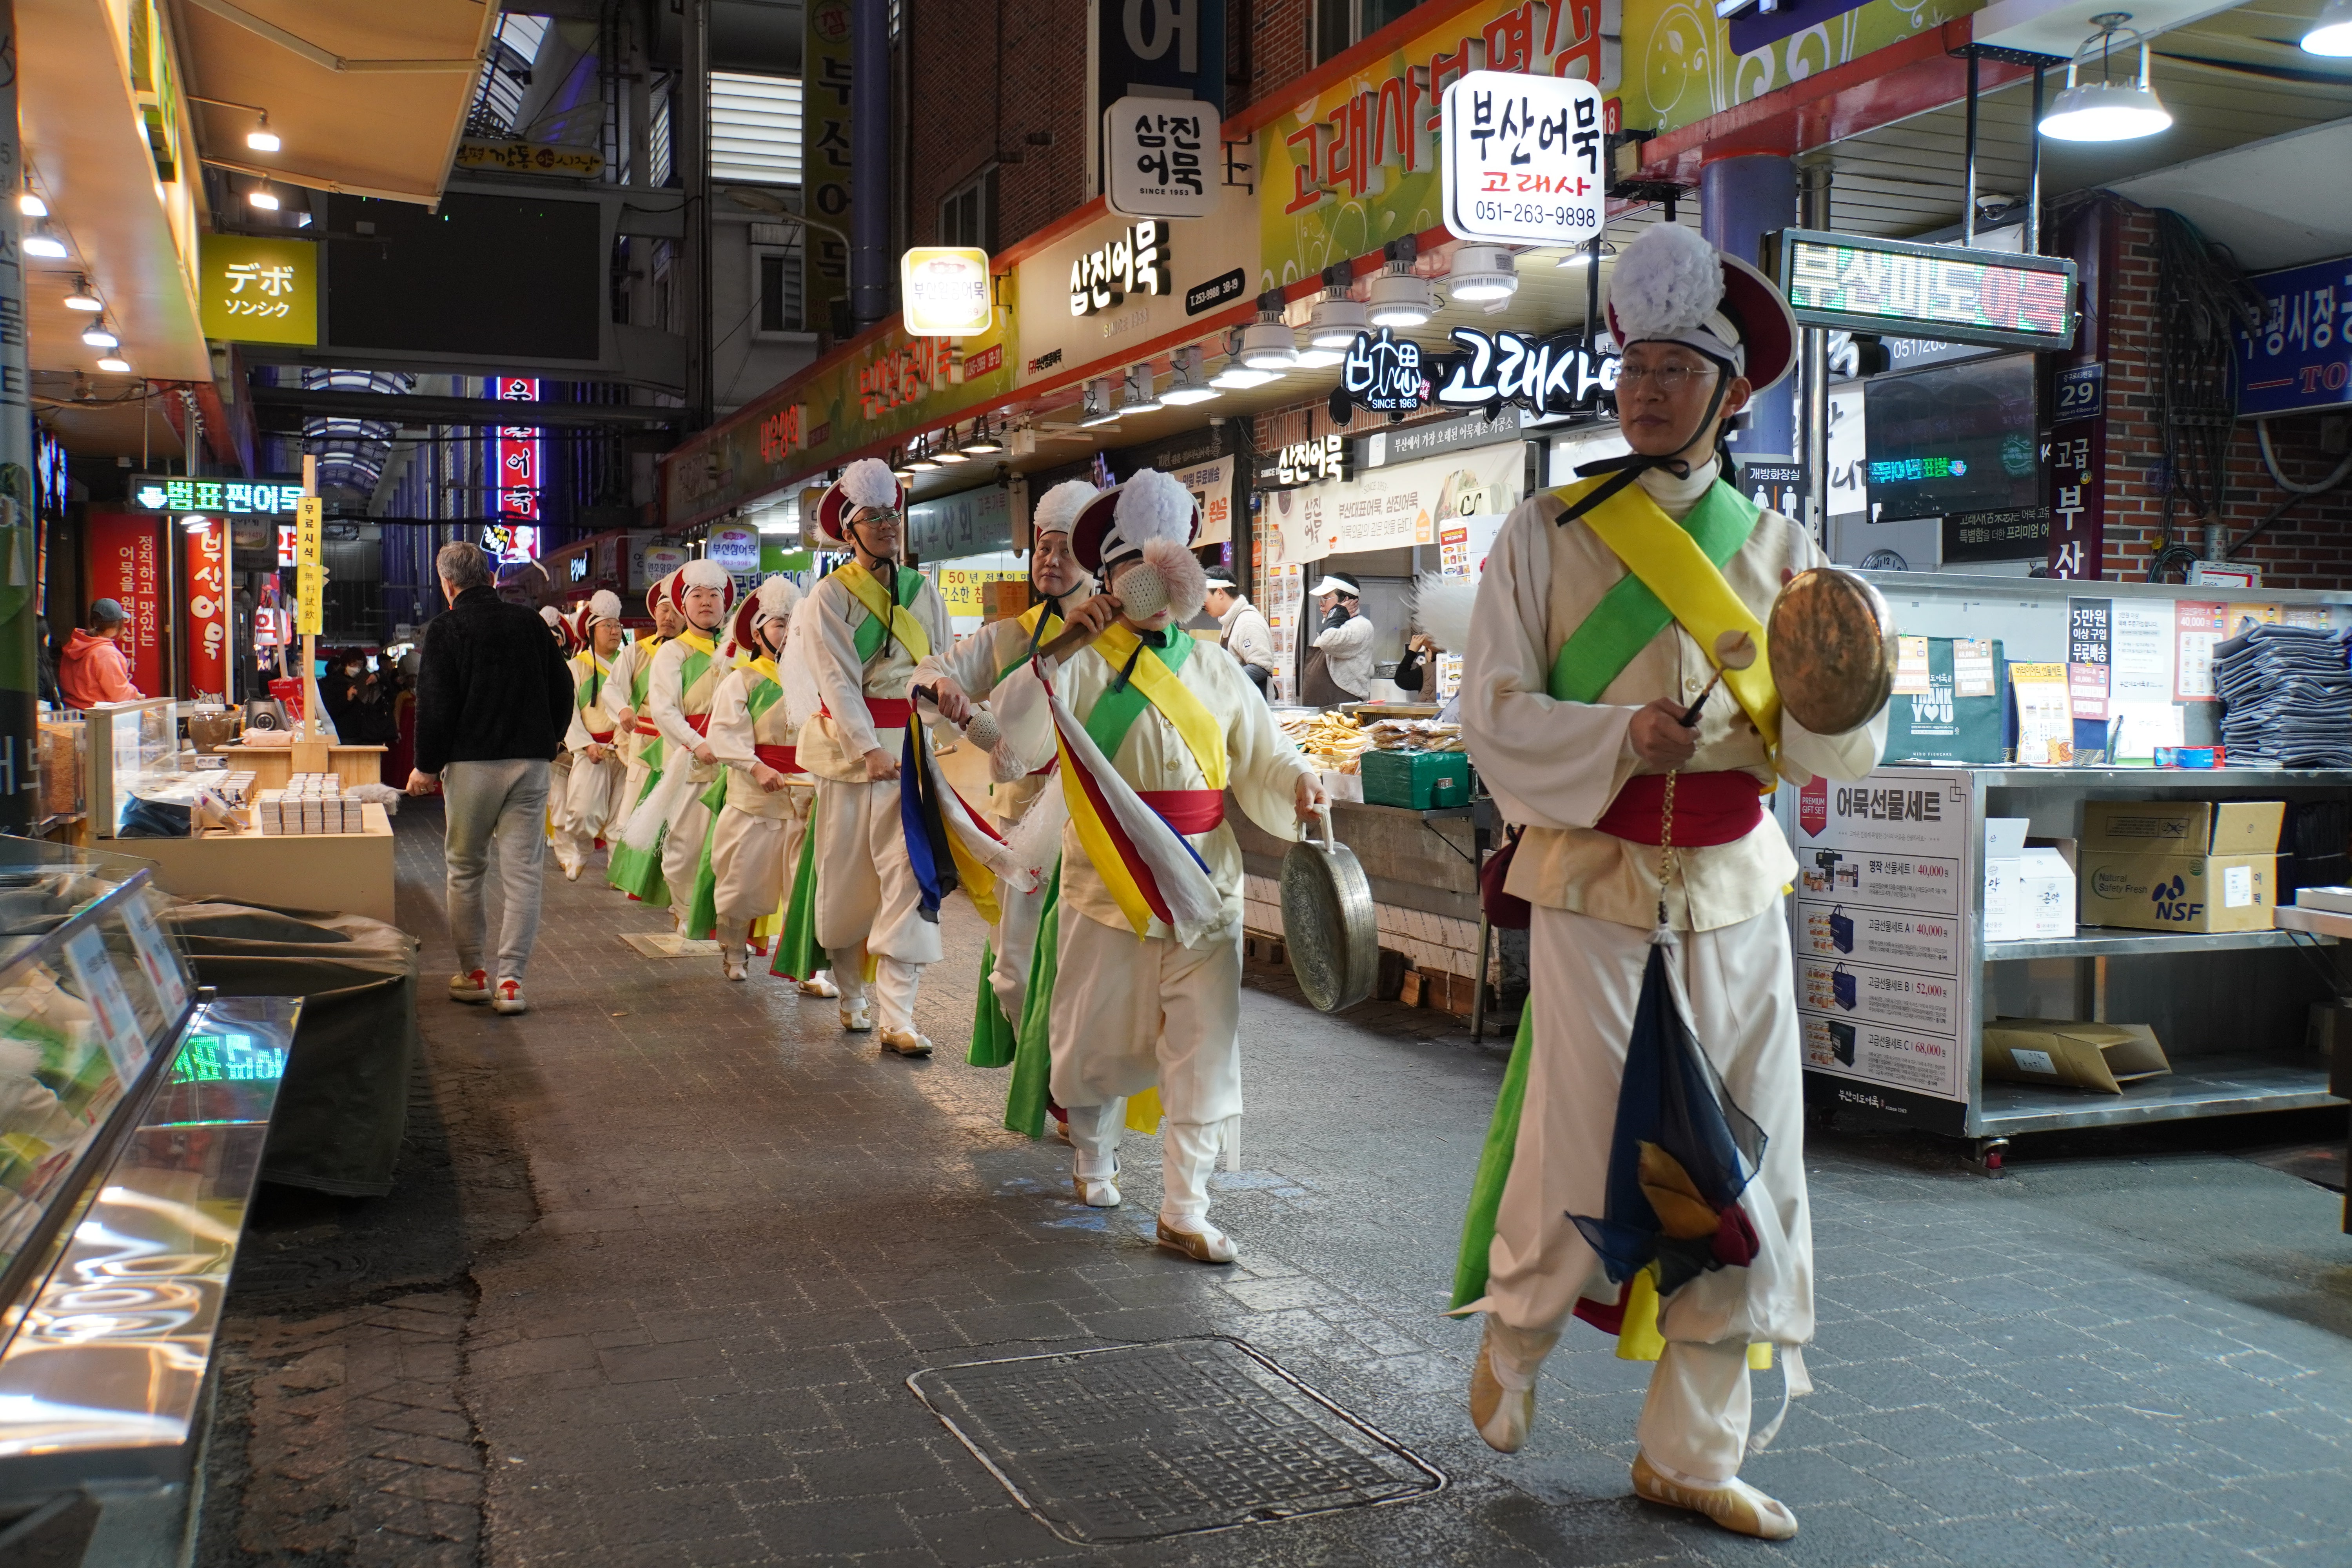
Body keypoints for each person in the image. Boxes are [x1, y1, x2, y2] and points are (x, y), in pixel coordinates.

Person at [1451, 221, 1887, 1539]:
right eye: (1633, 365)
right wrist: (1611, 740)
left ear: (1729, 392)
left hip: (1738, 891)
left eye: (1675, 370)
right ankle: (1517, 1338)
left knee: (1749, 1169)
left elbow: (1826, 746)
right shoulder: (1543, 532)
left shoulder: (1783, 549)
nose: (1645, 390)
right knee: (1580, 1143)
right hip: (1592, 877)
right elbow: (1491, 710)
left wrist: (1847, 684)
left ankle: (1691, 1451)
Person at [990, 470, 1325, 1264]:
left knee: (1206, 1046)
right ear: (1107, 578)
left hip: (1207, 884)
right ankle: (1093, 1157)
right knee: (1094, 1040)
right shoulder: (1071, 660)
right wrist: (1072, 635)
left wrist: (1299, 778)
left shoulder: (1216, 669)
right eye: (1133, 569)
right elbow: (1012, 733)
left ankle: (1186, 1205)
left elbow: (1264, 750)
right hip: (1107, 878)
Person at [913, 478, 1100, 1066]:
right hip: (1022, 827)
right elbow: (928, 673)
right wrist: (943, 684)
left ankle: (1079, 1095)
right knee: (1013, 969)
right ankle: (1041, 1072)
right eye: (1043, 547)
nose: (1050, 559)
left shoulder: (1119, 639)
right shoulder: (1008, 636)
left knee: (1090, 966)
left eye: (1065, 548)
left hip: (1097, 827)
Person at [794, 458, 953, 1057]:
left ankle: (900, 1015)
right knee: (848, 879)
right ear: (849, 529)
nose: (888, 526)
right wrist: (866, 748)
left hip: (910, 752)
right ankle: (853, 996)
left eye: (893, 515)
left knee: (911, 878)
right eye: (874, 518)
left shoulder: (923, 590)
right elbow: (835, 682)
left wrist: (938, 722)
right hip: (851, 758)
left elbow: (941, 661)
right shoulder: (828, 598)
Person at [406, 541, 576, 1016]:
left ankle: (474, 973)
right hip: (531, 765)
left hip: (472, 767)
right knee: (524, 874)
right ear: (489, 576)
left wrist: (425, 766)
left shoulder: (447, 628)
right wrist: (552, 739)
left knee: (466, 869)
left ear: (448, 583)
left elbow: (435, 703)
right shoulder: (529, 623)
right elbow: (564, 688)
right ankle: (512, 983)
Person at [703, 575, 833, 990]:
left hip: (806, 796)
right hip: (755, 799)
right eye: (778, 624)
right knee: (743, 883)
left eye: (793, 623)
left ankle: (808, 968)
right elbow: (724, 734)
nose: (787, 631)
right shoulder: (741, 680)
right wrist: (757, 768)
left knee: (807, 887)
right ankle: (735, 948)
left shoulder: (814, 678)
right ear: (758, 633)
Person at [632, 561, 737, 932]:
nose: (706, 602)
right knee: (685, 847)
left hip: (736, 766)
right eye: (697, 595)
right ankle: (686, 912)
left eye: (714, 595)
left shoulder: (739, 652)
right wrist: (696, 744)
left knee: (729, 849)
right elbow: (664, 710)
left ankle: (723, 923)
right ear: (683, 605)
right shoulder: (673, 652)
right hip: (690, 762)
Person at [606, 577, 685, 901]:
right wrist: (623, 708)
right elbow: (612, 687)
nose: (668, 617)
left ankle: (674, 889)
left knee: (679, 816)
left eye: (675, 611)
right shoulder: (636, 652)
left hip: (683, 745)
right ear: (654, 614)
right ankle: (623, 873)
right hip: (646, 742)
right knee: (631, 812)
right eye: (662, 610)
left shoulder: (700, 651)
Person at [554, 591, 629, 881]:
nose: (614, 631)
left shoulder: (630, 662)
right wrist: (585, 743)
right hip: (591, 750)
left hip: (625, 749)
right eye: (607, 626)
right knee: (582, 812)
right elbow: (569, 712)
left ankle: (617, 870)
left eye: (617, 626)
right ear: (591, 631)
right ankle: (581, 849)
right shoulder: (575, 667)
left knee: (622, 818)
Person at [1302, 571, 1373, 706]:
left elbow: (1328, 642)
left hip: (1343, 703)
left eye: (1326, 598)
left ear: (1345, 600)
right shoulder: (1333, 625)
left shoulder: (1361, 625)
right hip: (1319, 702)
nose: (1321, 604)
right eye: (1320, 599)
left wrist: (1337, 613)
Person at [1204, 572, 1276, 698]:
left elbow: (1262, 666)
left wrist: (1225, 683)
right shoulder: (1230, 621)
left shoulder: (1248, 621)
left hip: (1255, 706)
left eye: (1204, 597)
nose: (1203, 604)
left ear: (1220, 593)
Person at [58, 599, 141, 708]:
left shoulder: (74, 646)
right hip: (98, 716)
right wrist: (135, 694)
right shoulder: (107, 654)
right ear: (118, 624)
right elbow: (118, 694)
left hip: (72, 713)